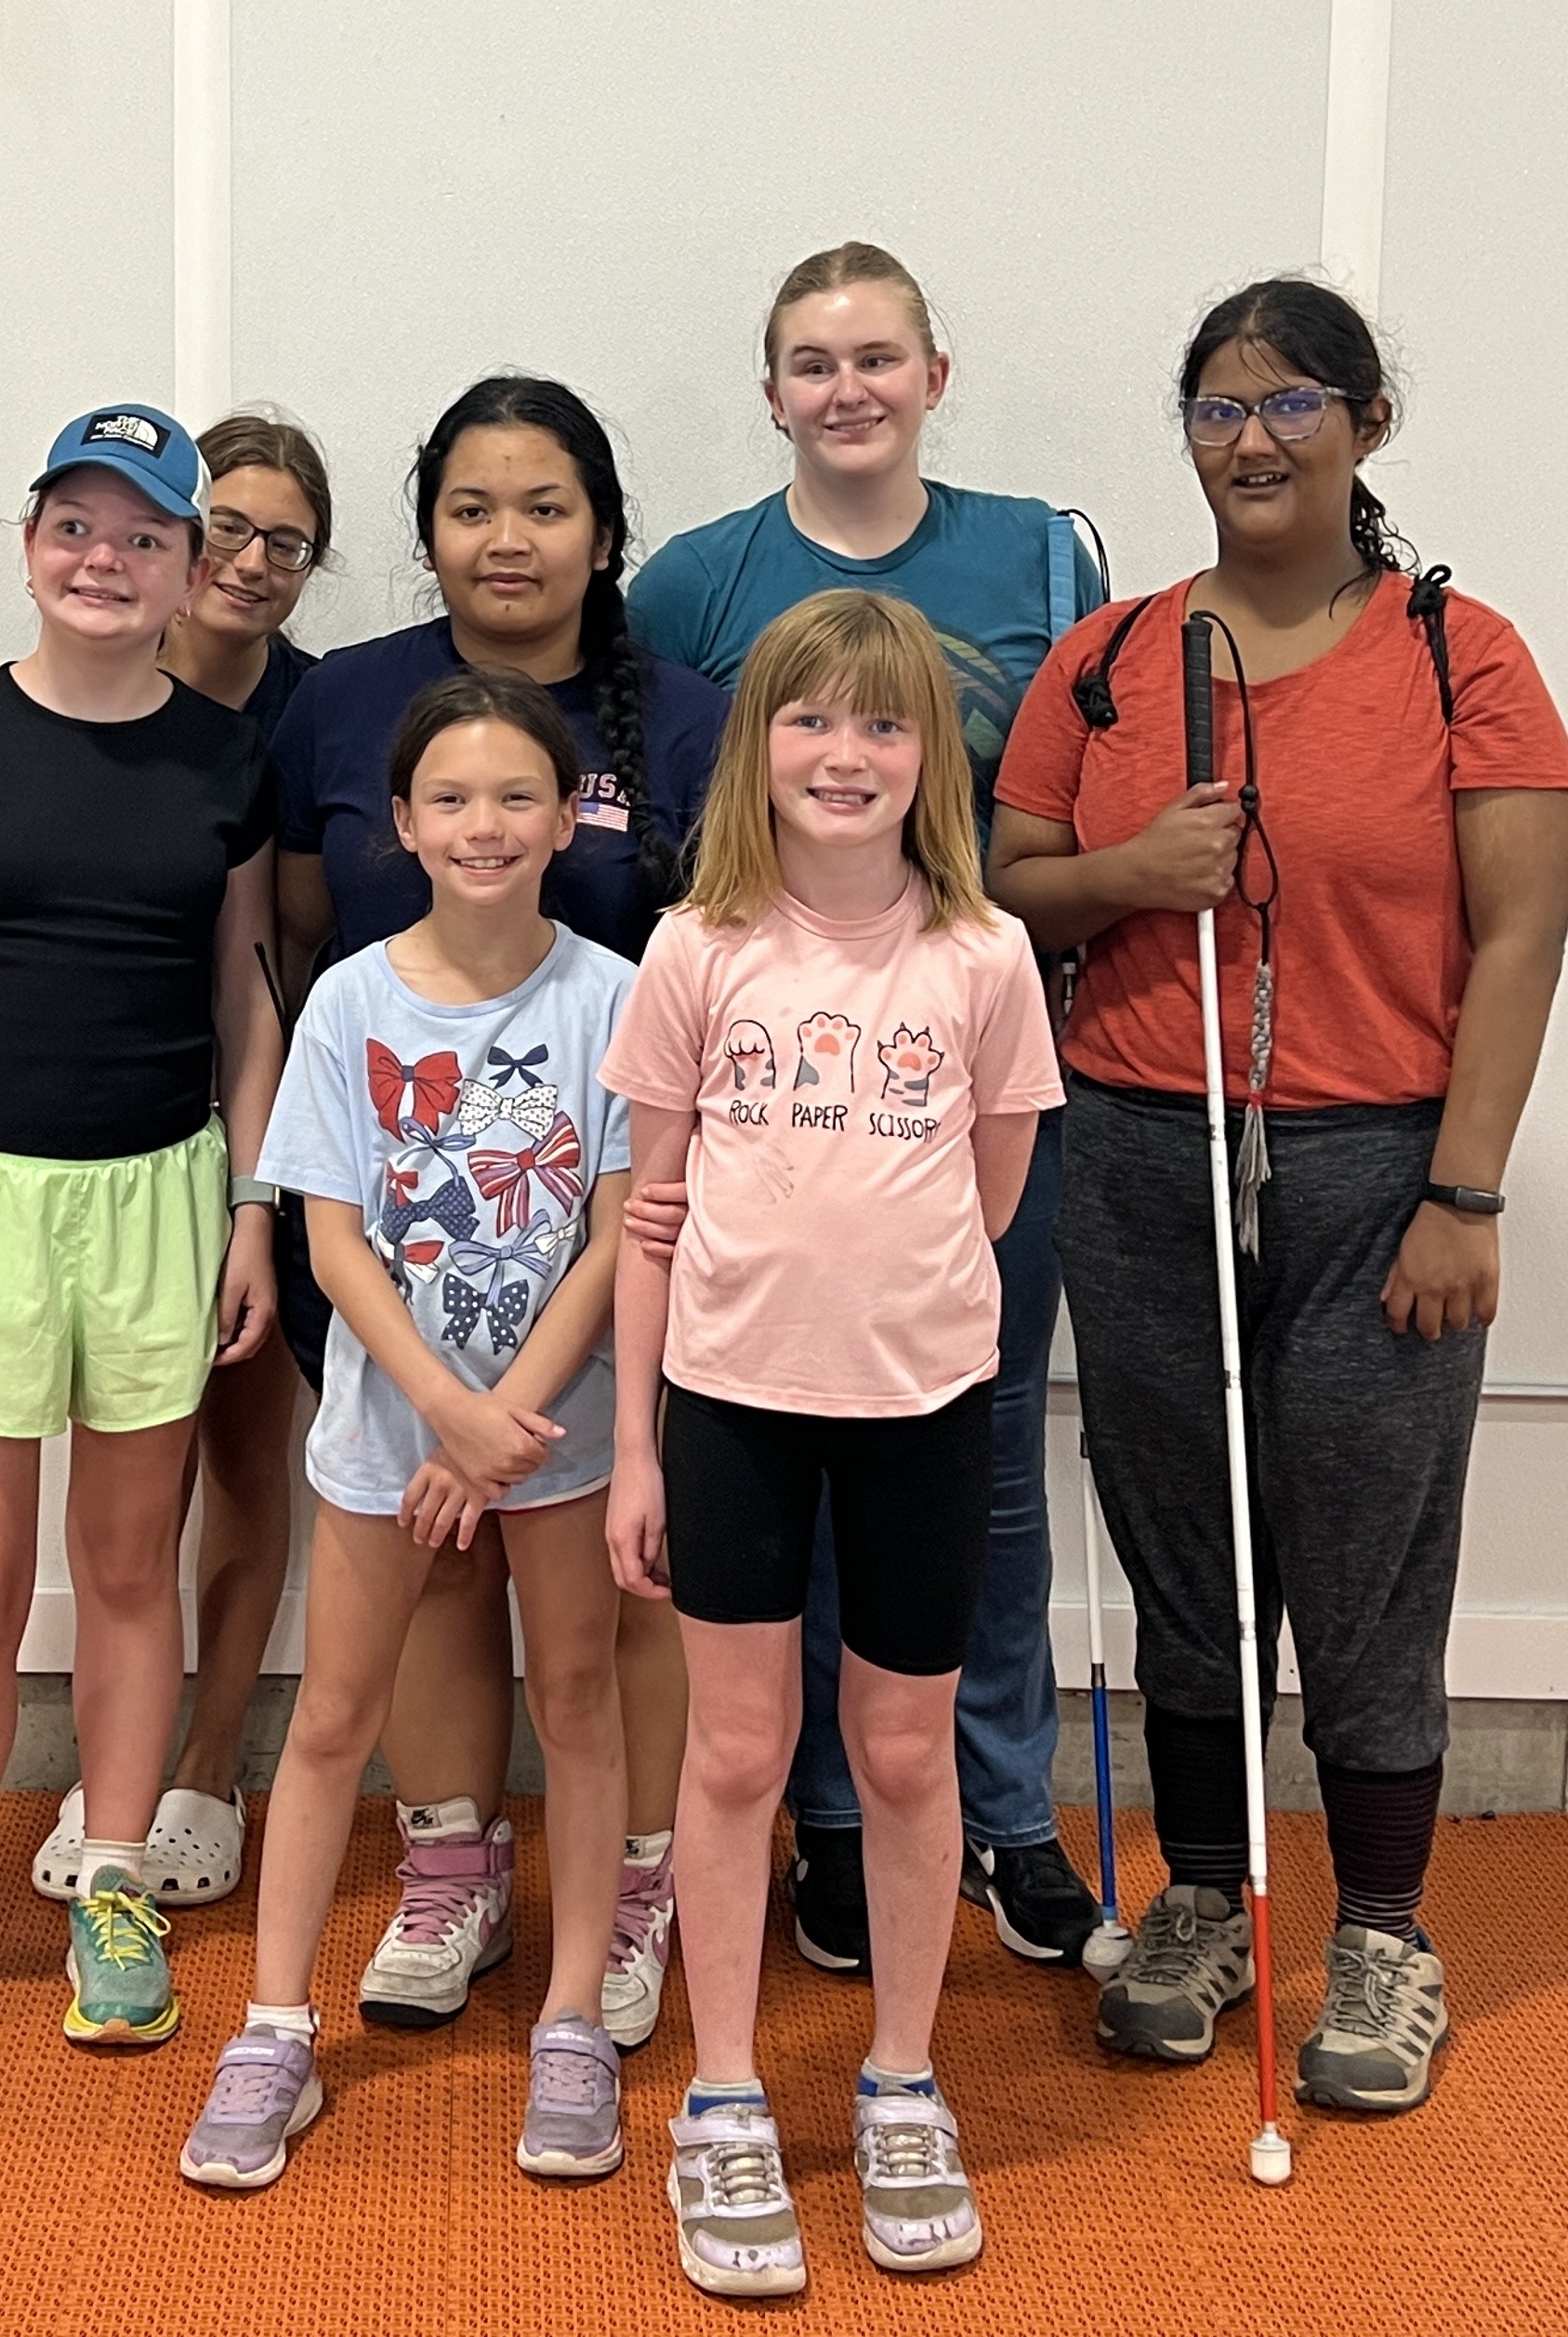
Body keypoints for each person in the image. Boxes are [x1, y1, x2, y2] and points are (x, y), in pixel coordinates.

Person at [989, 279, 1568, 2114]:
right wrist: (1128, 867)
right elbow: (1009, 880)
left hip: (1372, 1168)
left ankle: (1386, 1929)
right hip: (1145, 1153)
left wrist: (1462, 1191)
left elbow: (1521, 932)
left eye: (1293, 403)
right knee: (1186, 1554)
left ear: (1366, 423)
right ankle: (1200, 1901)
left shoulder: (1451, 650)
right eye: (1219, 408)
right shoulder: (1107, 657)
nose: (1251, 438)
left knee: (1366, 1553)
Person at [629, 241, 1106, 1971]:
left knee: (966, 1466)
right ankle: (828, 1820)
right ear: (771, 395)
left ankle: (1003, 1809)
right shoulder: (696, 582)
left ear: (933, 374)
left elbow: (1065, 804)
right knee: (784, 1452)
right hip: (765, 1087)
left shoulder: (1039, 558)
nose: (849, 388)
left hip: (969, 1065)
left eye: (878, 357)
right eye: (813, 362)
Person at [602, 589, 1061, 2293]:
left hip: (922, 1414)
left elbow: (991, 1199)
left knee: (906, 1756)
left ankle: (901, 2082)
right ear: (759, 748)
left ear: (928, 755)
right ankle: (723, 2102)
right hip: (728, 1407)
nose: (845, 754)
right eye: (811, 721)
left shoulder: (984, 955)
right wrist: (639, 1455)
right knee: (733, 1754)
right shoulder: (697, 950)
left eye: (883, 725)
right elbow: (653, 1215)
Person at [269, 373, 730, 2053]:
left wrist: (525, 1392)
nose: (509, 537)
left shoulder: (680, 719)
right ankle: (451, 1870)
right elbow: (301, 927)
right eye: (472, 506)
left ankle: (638, 1890)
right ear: (429, 531)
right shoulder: (344, 702)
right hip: (398, 1235)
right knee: (430, 1570)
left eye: (546, 506)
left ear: (604, 531)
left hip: (613, 1246)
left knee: (625, 1589)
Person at [0, 404, 285, 2055]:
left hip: (161, 1193)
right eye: (76, 529)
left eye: (143, 536)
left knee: (124, 1572)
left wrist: (249, 1204)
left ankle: (106, 1874)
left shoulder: (226, 760)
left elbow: (244, 996)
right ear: (29, 547)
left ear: (188, 568)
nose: (106, 561)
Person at [178, 672, 637, 2192]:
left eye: (519, 796)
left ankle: (571, 2016)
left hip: (554, 1446)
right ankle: (275, 2024)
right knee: (330, 1722)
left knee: (576, 1707)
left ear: (569, 819)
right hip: (390, 1441)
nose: (485, 825)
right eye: (452, 798)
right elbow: (333, 1245)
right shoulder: (354, 1004)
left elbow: (617, 1238)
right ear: (400, 824)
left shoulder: (615, 1000)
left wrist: (506, 1425)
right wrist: (442, 1412)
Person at [28, 408, 336, 1908]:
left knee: (240, 1441)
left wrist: (266, 1177)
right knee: (115, 1479)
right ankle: (114, 1770)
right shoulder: (65, 684)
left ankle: (206, 1767)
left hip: (267, 1120)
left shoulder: (317, 718)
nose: (253, 560)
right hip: (86, 1133)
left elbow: (288, 956)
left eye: (289, 541)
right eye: (226, 526)